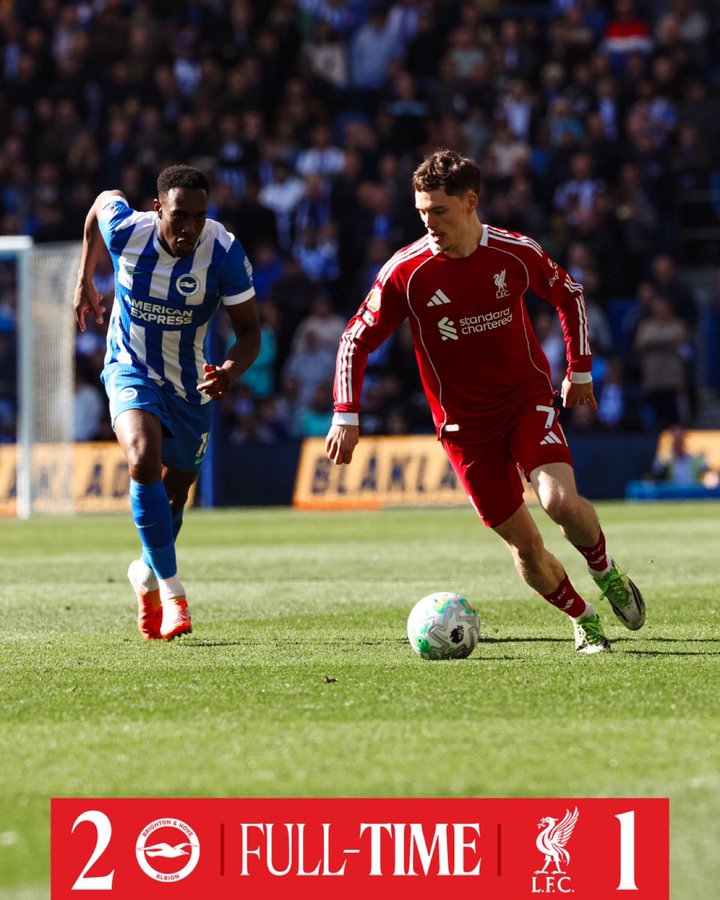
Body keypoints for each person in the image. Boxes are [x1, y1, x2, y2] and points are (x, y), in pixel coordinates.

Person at [325, 149, 645, 654]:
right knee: (526, 546)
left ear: (471, 202)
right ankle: (583, 616)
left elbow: (569, 294)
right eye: (422, 212)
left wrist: (579, 368)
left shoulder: (514, 253)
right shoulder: (406, 271)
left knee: (559, 502)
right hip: (464, 428)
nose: (429, 223)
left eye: (439, 211)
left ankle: (605, 571)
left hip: (524, 400)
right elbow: (354, 339)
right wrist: (346, 412)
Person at [73, 164, 260, 641]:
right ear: (157, 209)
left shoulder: (224, 251)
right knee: (142, 458)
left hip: (190, 385)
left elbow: (250, 333)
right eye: (180, 217)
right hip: (130, 367)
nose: (190, 228)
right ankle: (174, 593)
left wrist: (230, 370)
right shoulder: (127, 232)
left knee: (176, 496)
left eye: (199, 217)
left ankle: (146, 573)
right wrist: (84, 278)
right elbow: (102, 201)